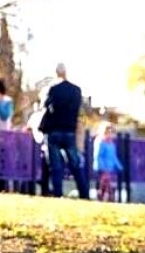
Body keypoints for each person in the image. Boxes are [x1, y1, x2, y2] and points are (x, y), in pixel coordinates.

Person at [38, 63, 90, 199]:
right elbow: (78, 110)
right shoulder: (76, 90)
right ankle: (84, 193)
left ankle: (58, 193)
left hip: (54, 130)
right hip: (69, 130)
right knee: (75, 164)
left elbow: (46, 105)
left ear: (56, 73)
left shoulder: (52, 89)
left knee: (56, 166)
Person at [94, 125, 123, 202]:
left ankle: (108, 199)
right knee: (104, 184)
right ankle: (101, 198)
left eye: (111, 133)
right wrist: (102, 166)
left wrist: (119, 166)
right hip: (103, 169)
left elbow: (114, 157)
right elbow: (99, 156)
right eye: (107, 133)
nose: (109, 135)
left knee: (110, 185)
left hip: (111, 169)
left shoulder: (112, 145)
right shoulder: (102, 144)